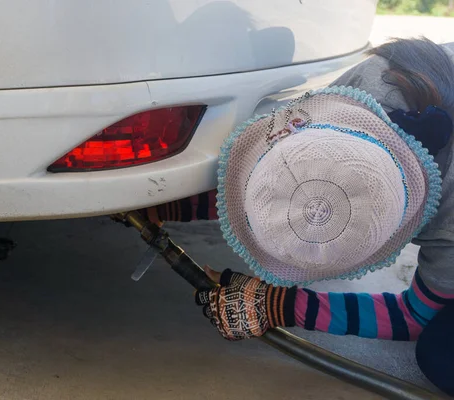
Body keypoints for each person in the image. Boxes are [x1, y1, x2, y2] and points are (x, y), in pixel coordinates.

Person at [139, 38, 454, 396]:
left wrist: (281, 306)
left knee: (440, 352)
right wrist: (175, 204)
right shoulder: (375, 82)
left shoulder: (448, 229)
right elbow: (298, 178)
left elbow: (414, 316)